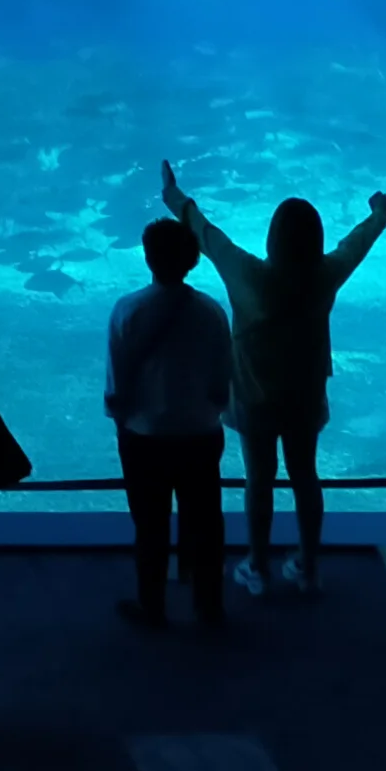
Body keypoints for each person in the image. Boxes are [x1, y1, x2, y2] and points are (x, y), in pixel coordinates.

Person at [159, 162, 386, 599]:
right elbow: (355, 246)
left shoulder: (247, 274)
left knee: (259, 479)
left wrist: (173, 196)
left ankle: (258, 565)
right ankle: (308, 565)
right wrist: (380, 214)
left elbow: (207, 235)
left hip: (253, 396)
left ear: (272, 238)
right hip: (304, 396)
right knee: (306, 476)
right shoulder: (324, 274)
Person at [104, 216, 234, 631]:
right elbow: (221, 383)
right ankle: (209, 608)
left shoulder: (128, 310)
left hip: (145, 438)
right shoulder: (212, 312)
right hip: (200, 434)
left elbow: (115, 386)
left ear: (148, 258)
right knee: (206, 524)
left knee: (150, 524)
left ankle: (153, 606)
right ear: (194, 259)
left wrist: (124, 422)